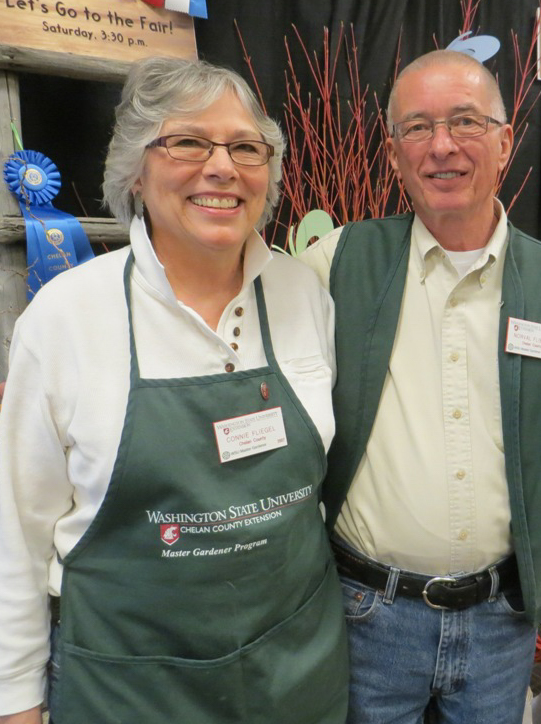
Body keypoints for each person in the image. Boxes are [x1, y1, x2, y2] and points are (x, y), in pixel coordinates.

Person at [300, 49, 541, 724]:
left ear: (504, 141)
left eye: (465, 121)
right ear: (394, 152)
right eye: (417, 128)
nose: (442, 147)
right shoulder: (332, 268)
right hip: (363, 620)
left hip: (503, 626)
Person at [0, 57, 348, 724]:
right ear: (136, 167)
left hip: (297, 677)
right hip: (131, 689)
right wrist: (16, 700)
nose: (222, 167)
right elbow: (16, 533)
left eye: (246, 147)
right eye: (187, 141)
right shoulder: (67, 316)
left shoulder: (306, 295)